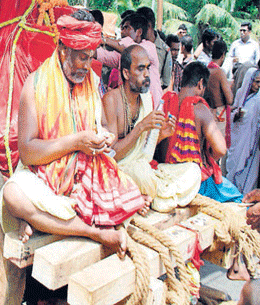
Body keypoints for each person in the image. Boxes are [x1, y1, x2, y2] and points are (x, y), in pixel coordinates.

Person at [0, 10, 148, 260]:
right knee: (13, 196)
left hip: (84, 177)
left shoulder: (92, 80)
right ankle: (93, 232)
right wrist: (75, 142)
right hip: (43, 177)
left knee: (133, 184)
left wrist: (106, 138)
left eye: (91, 58)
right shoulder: (34, 85)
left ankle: (45, 222)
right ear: (63, 49)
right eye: (81, 58)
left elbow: (103, 128)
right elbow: (27, 152)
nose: (87, 66)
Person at [103, 44, 201, 212]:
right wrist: (141, 127)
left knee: (192, 170)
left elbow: (143, 152)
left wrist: (161, 136)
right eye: (141, 69)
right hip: (121, 171)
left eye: (148, 68)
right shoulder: (111, 100)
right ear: (126, 73)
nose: (147, 74)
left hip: (142, 169)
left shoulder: (146, 98)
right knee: (141, 172)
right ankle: (160, 197)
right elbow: (111, 156)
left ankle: (153, 197)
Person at [159, 62, 242, 203]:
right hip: (194, 181)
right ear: (200, 83)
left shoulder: (165, 102)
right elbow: (221, 149)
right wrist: (207, 158)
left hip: (164, 173)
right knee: (237, 198)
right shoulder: (200, 108)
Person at [98, 14, 163, 107]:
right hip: (130, 107)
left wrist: (104, 40)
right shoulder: (123, 53)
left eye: (126, 28)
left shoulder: (149, 47)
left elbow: (132, 49)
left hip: (152, 107)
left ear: (139, 32)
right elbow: (104, 56)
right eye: (122, 28)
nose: (122, 32)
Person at [226, 68, 260, 195]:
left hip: (251, 142)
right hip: (238, 139)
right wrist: (236, 115)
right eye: (256, 82)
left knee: (247, 172)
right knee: (233, 166)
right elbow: (233, 112)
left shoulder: (258, 99)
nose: (258, 85)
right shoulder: (241, 93)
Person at [136, 7, 172, 90]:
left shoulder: (165, 50)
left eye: (138, 26)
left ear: (148, 25)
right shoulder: (135, 44)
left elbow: (166, 82)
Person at [203, 39, 233, 116]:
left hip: (207, 112)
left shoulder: (205, 70)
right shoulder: (220, 73)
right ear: (223, 55)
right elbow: (229, 100)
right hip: (219, 115)